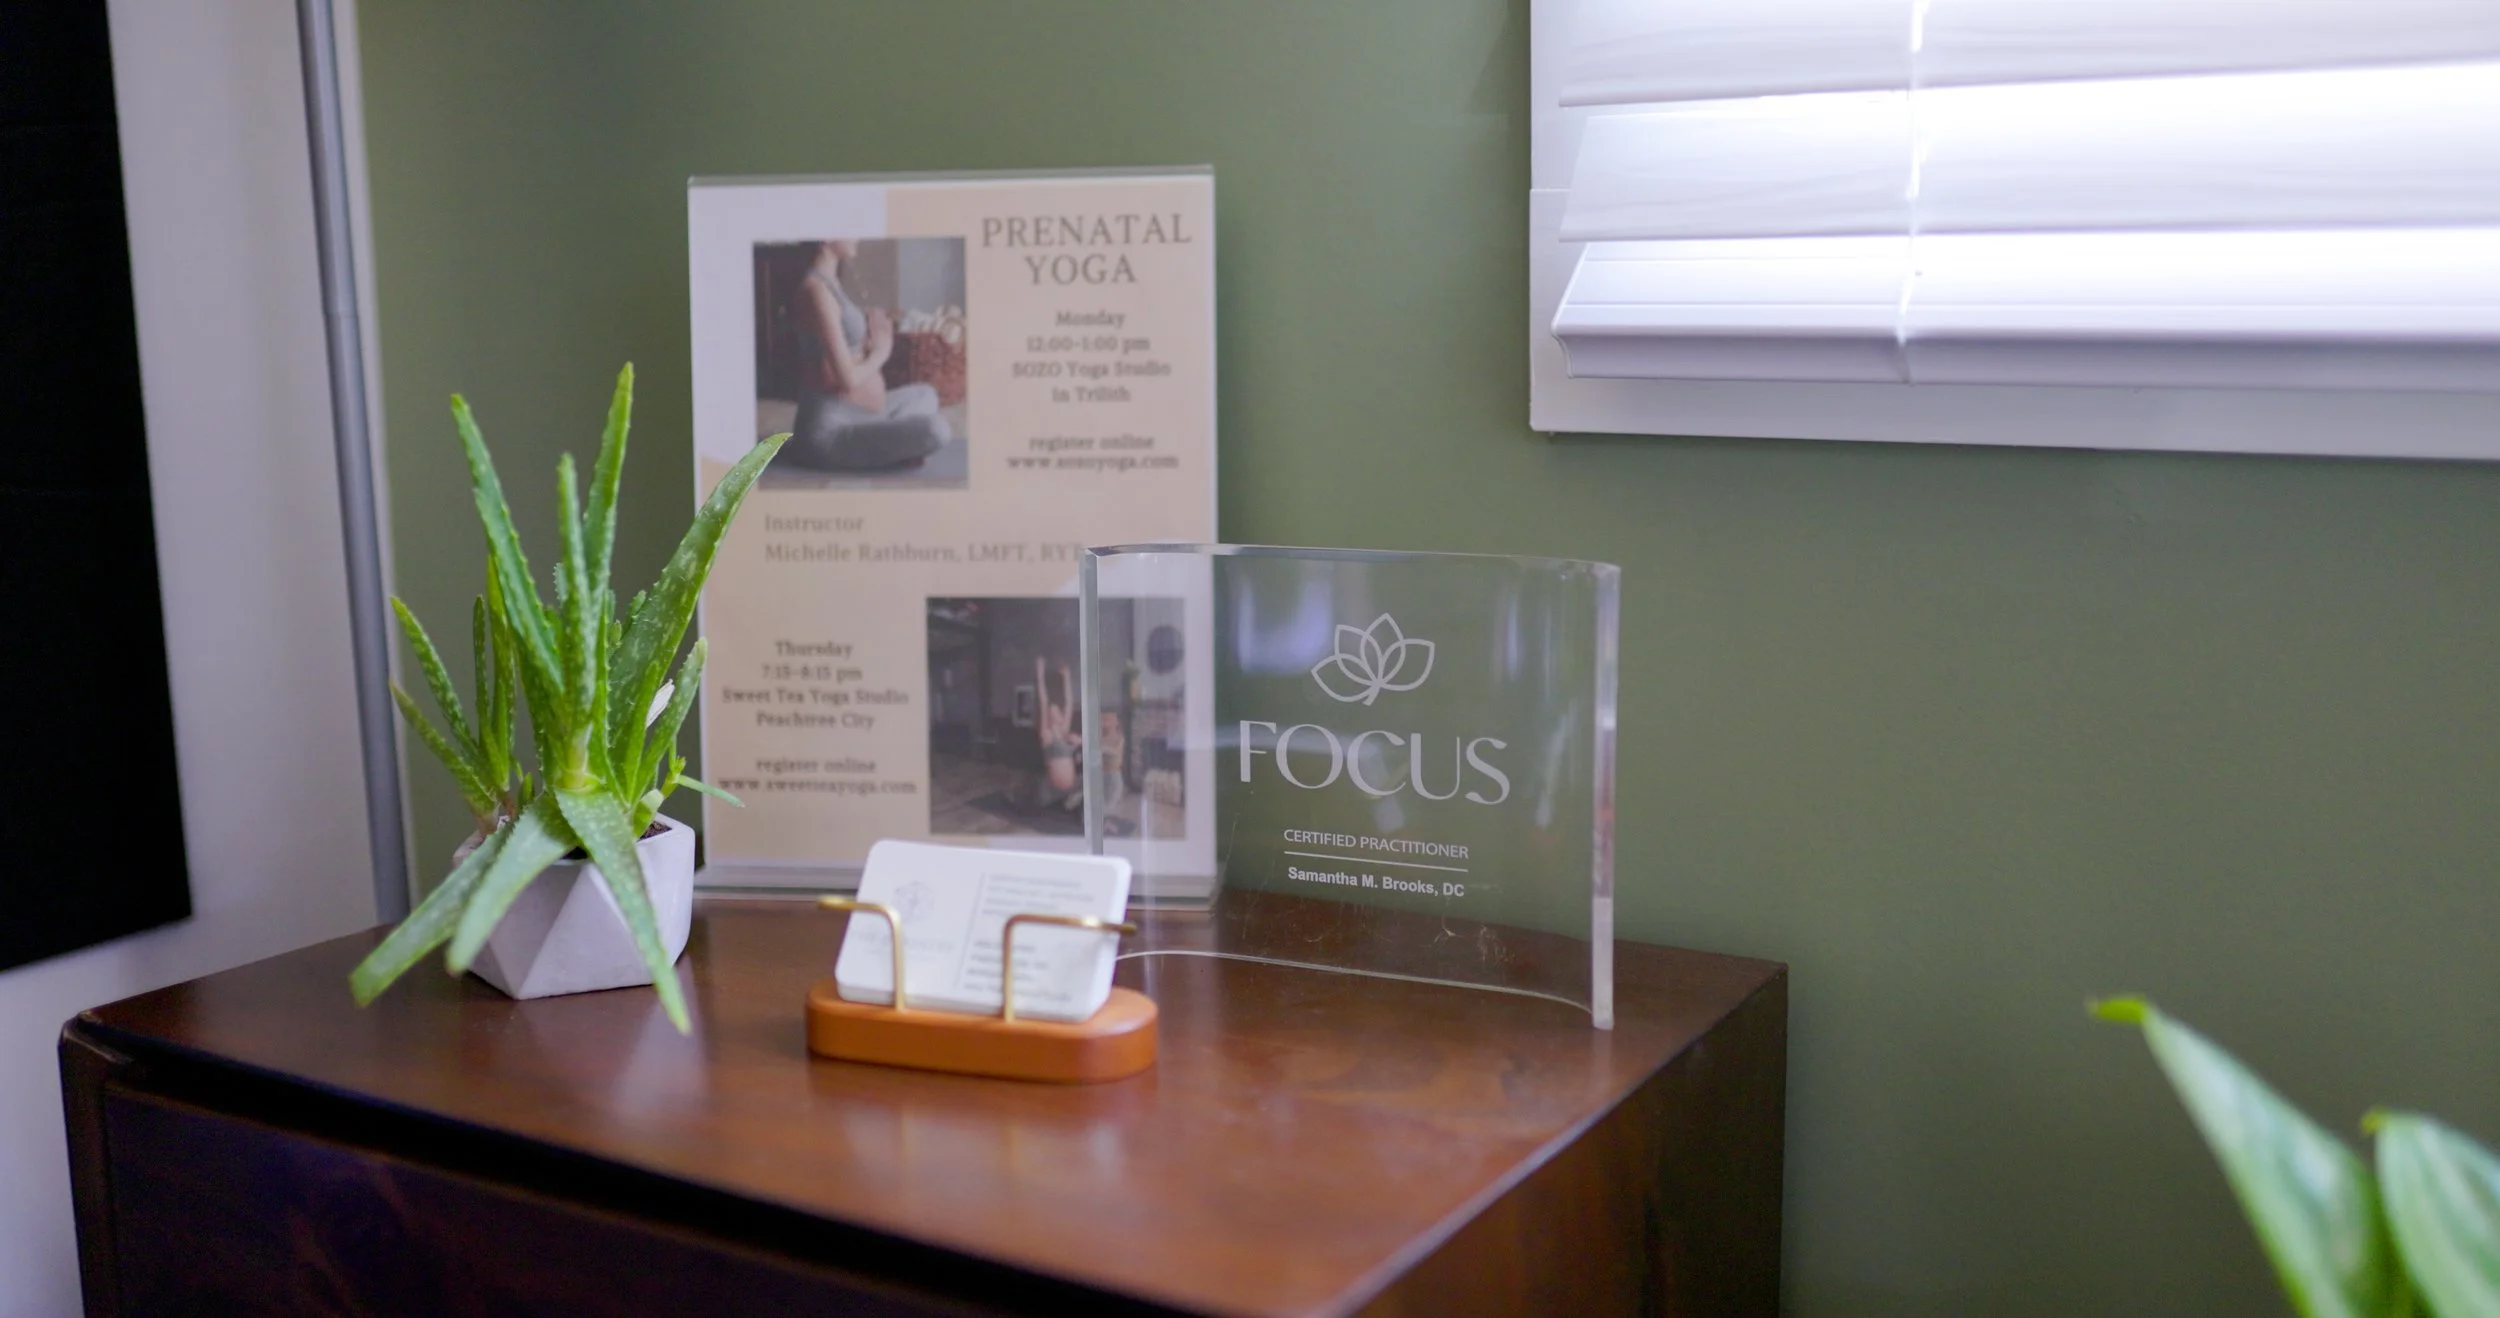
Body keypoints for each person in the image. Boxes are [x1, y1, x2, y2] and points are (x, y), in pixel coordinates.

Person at [780, 240, 949, 472]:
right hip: (831, 432)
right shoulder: (815, 291)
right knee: (936, 429)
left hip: (865, 415)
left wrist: (868, 340)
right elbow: (846, 379)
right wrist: (881, 351)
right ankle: (894, 444)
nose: (856, 236)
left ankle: (890, 441)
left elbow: (843, 353)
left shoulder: (831, 283)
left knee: (925, 394)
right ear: (827, 237)